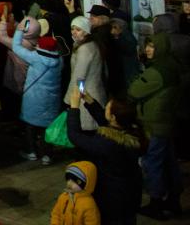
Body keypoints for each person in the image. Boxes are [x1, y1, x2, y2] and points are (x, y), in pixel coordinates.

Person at [66, 91, 145, 225]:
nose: (105, 110)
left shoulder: (108, 143)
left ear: (113, 117)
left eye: (107, 108)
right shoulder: (132, 133)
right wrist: (89, 101)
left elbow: (75, 136)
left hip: (112, 198)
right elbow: (106, 121)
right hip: (131, 192)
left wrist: (74, 108)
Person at [129, 32, 183, 218]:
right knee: (169, 162)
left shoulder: (157, 71)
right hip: (167, 122)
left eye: (152, 46)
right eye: (147, 46)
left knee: (153, 163)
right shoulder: (173, 65)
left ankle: (156, 203)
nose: (148, 49)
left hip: (155, 124)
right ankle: (173, 200)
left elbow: (134, 91)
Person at [12, 21, 62, 164]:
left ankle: (31, 151)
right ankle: (47, 155)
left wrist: (19, 31)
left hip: (33, 99)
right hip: (51, 100)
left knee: (30, 126)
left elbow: (16, 47)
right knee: (47, 128)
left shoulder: (36, 58)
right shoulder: (60, 61)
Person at [66, 16, 106, 131]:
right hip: (93, 92)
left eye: (78, 29)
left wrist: (73, 97)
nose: (74, 32)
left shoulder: (85, 49)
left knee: (86, 131)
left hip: (87, 96)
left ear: (86, 31)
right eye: (72, 29)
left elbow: (79, 77)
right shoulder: (91, 45)